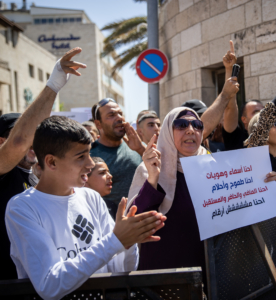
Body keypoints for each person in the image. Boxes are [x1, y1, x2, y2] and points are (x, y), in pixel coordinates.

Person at [5, 116, 166, 300]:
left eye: (89, 154)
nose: (90, 164)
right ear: (51, 162)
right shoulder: (22, 208)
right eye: (81, 157)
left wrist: (128, 243)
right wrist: (115, 241)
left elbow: (121, 269)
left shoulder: (91, 198)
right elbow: (50, 284)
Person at [126, 107, 276, 290]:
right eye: (181, 125)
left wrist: (262, 185)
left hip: (209, 271)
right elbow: (133, 223)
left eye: (197, 125)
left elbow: (237, 211)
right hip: (164, 276)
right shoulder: (149, 169)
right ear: (167, 132)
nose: (191, 130)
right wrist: (153, 179)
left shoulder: (213, 167)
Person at [0, 47, 86, 280]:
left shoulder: (40, 175)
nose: (32, 139)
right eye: (26, 131)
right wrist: (53, 85)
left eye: (35, 132)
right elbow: (18, 142)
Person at [90, 98, 144, 218]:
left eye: (120, 113)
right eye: (111, 115)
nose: (119, 118)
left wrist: (141, 149)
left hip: (143, 224)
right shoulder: (89, 155)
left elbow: (163, 172)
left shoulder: (138, 146)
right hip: (111, 229)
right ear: (98, 124)